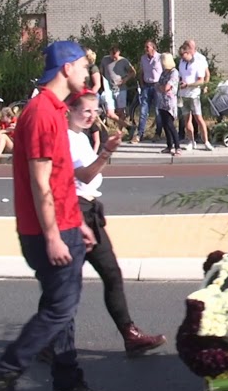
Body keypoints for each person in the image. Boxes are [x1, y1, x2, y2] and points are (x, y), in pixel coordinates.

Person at [0, 40, 111, 391]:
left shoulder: (54, 110)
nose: (88, 74)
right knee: (59, 308)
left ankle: (68, 386)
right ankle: (3, 372)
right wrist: (54, 235)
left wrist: (78, 223)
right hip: (45, 232)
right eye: (84, 67)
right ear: (66, 68)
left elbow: (62, 178)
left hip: (66, 225)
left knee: (63, 309)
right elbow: (40, 183)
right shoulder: (41, 113)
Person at [65, 92, 165, 357]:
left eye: (95, 111)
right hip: (75, 211)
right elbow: (85, 176)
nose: (91, 116)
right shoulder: (65, 139)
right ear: (70, 109)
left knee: (109, 273)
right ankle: (50, 342)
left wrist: (103, 152)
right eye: (86, 111)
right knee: (66, 285)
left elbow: (90, 174)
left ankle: (129, 334)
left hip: (88, 211)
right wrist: (107, 152)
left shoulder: (81, 138)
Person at [177, 40, 214, 151]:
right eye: (181, 56)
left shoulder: (198, 63)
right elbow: (180, 76)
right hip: (183, 95)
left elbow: (201, 81)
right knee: (186, 119)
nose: (183, 58)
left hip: (194, 95)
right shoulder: (182, 63)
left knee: (198, 118)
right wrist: (179, 83)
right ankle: (191, 141)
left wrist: (188, 85)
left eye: (184, 55)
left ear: (189, 53)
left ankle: (206, 141)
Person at [99, 45, 134, 126]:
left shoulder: (123, 61)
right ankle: (126, 126)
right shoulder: (105, 60)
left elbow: (133, 72)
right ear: (110, 53)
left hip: (120, 89)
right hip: (108, 89)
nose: (114, 58)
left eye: (116, 55)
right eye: (112, 55)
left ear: (119, 52)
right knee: (109, 112)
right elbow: (101, 72)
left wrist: (125, 79)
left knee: (121, 110)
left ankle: (120, 132)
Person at [134, 40, 161, 143]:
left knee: (158, 111)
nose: (145, 49)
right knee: (143, 111)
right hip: (147, 85)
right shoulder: (143, 58)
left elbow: (165, 72)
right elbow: (141, 72)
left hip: (157, 86)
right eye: (145, 47)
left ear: (153, 48)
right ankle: (139, 134)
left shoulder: (160, 57)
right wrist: (142, 84)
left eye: (147, 47)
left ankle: (157, 133)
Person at [157, 52, 182, 156]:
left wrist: (161, 88)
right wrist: (161, 88)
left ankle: (178, 147)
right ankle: (169, 145)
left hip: (169, 103)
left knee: (170, 124)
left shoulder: (174, 72)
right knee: (164, 125)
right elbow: (158, 85)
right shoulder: (164, 72)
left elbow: (167, 87)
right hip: (162, 101)